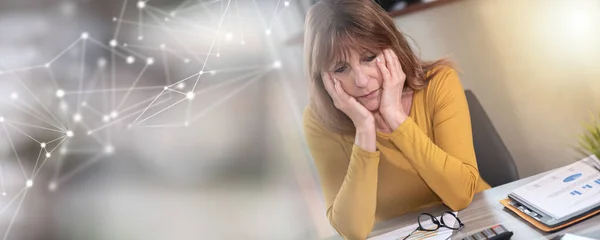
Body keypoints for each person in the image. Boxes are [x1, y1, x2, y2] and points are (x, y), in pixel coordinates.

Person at [302, 0, 491, 239]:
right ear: (322, 77)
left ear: (392, 48)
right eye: (341, 69)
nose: (361, 80)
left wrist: (395, 118)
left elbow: (461, 195)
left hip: (475, 223)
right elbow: (352, 231)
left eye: (369, 57)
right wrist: (365, 132)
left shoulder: (440, 82)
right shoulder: (319, 121)